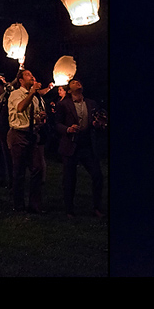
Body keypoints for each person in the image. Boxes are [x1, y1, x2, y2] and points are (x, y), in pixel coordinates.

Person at [55, 78, 105, 218]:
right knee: (70, 178)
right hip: (71, 145)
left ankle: (97, 207)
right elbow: (57, 124)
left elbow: (97, 121)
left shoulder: (91, 103)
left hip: (87, 145)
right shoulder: (64, 104)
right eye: (74, 83)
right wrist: (68, 129)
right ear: (69, 90)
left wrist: (96, 124)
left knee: (97, 176)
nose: (78, 83)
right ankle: (69, 210)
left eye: (79, 82)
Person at [7, 69, 49, 213]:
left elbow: (33, 116)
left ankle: (34, 204)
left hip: (32, 135)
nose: (32, 76)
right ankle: (18, 205)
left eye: (32, 74)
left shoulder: (36, 98)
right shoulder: (15, 94)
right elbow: (20, 107)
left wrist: (40, 117)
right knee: (19, 171)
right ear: (21, 80)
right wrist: (31, 92)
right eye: (28, 75)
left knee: (37, 168)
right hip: (18, 134)